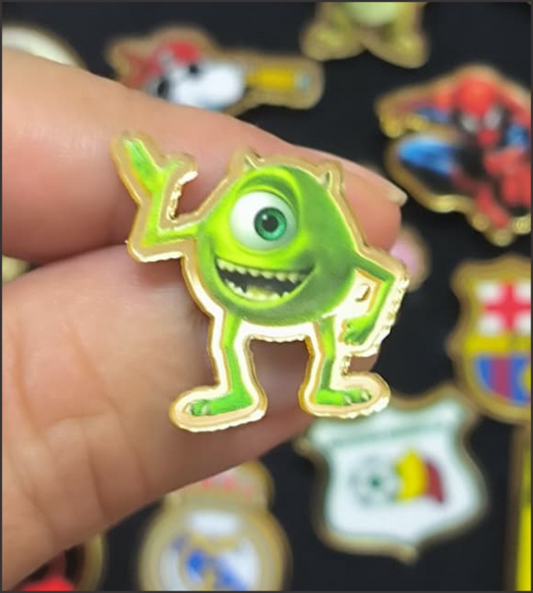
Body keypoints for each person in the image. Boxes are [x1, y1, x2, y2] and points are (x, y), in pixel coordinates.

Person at [2, 48, 405, 589]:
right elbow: (152, 240)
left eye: (269, 222)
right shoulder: (215, 226)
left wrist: (366, 322)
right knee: (234, 330)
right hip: (241, 302)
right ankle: (238, 389)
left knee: (316, 326)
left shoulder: (333, 240)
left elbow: (384, 276)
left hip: (311, 304)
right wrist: (162, 189)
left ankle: (325, 380)